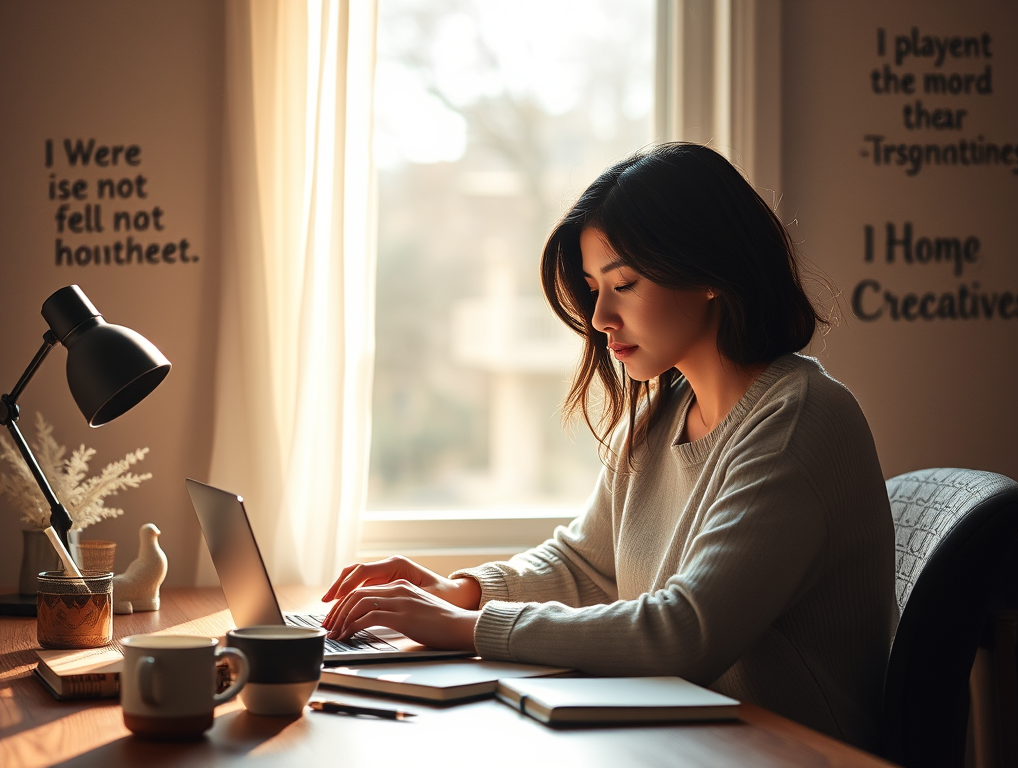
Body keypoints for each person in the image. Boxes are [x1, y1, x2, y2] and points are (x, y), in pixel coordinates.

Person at [321, 143, 895, 751]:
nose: (599, 317)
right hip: (685, 740)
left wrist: (469, 627)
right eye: (595, 287)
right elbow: (583, 566)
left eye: (623, 283)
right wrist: (458, 590)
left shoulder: (800, 420)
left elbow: (685, 633)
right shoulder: (661, 415)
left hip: (785, 755)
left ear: (708, 273)